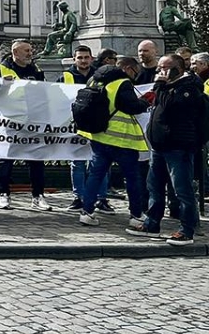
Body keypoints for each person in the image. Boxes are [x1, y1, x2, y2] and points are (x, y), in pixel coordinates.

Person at [130, 54, 203, 245]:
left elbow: (171, 106)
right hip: (159, 147)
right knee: (154, 187)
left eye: (165, 68)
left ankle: (187, 229)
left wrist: (160, 86)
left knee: (182, 190)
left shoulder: (188, 88)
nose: (160, 72)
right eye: (159, 68)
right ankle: (152, 223)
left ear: (177, 69)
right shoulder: (167, 87)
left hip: (178, 146)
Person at [77, 57, 151, 227]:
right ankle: (136, 215)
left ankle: (86, 212)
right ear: (128, 68)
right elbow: (131, 107)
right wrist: (145, 102)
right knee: (133, 178)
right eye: (135, 71)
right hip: (122, 139)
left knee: (95, 176)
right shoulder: (122, 83)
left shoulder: (94, 80)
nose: (136, 75)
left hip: (98, 136)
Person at [0, 40, 50, 210]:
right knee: (6, 158)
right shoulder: (1, 69)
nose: (30, 53)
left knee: (36, 159)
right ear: (15, 53)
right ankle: (3, 193)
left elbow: (45, 92)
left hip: (33, 121)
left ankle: (38, 196)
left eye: (31, 50)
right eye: (26, 50)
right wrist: (3, 86)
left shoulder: (36, 70)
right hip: (11, 121)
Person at [58, 45, 112, 214]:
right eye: (79, 57)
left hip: (97, 124)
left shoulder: (100, 76)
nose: (83, 60)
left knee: (100, 163)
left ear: (92, 58)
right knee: (77, 163)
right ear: (74, 59)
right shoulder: (65, 77)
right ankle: (79, 198)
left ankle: (101, 199)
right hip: (75, 125)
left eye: (86, 57)